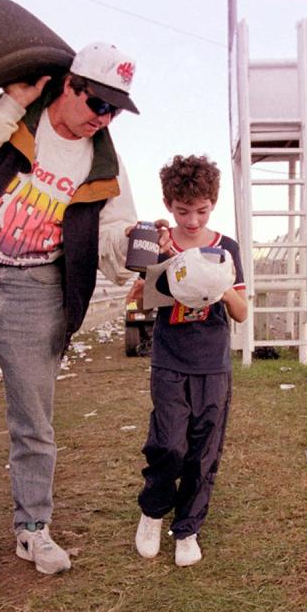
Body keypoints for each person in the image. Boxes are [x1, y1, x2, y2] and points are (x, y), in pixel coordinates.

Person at [0, 42, 142, 600]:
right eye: (98, 102)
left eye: (115, 109)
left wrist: (141, 246)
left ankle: (32, 529)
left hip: (37, 290)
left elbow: (116, 241)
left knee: (33, 420)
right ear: (69, 86)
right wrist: (9, 102)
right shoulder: (16, 115)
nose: (104, 116)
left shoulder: (105, 162)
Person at [129, 155, 247, 567]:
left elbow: (242, 312)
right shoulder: (161, 242)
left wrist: (220, 286)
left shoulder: (225, 248)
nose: (193, 220)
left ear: (212, 203)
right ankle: (152, 511)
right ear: (169, 205)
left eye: (201, 210)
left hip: (212, 363)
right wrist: (160, 263)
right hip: (170, 359)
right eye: (183, 211)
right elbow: (143, 302)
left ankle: (188, 527)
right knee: (168, 444)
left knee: (203, 450)